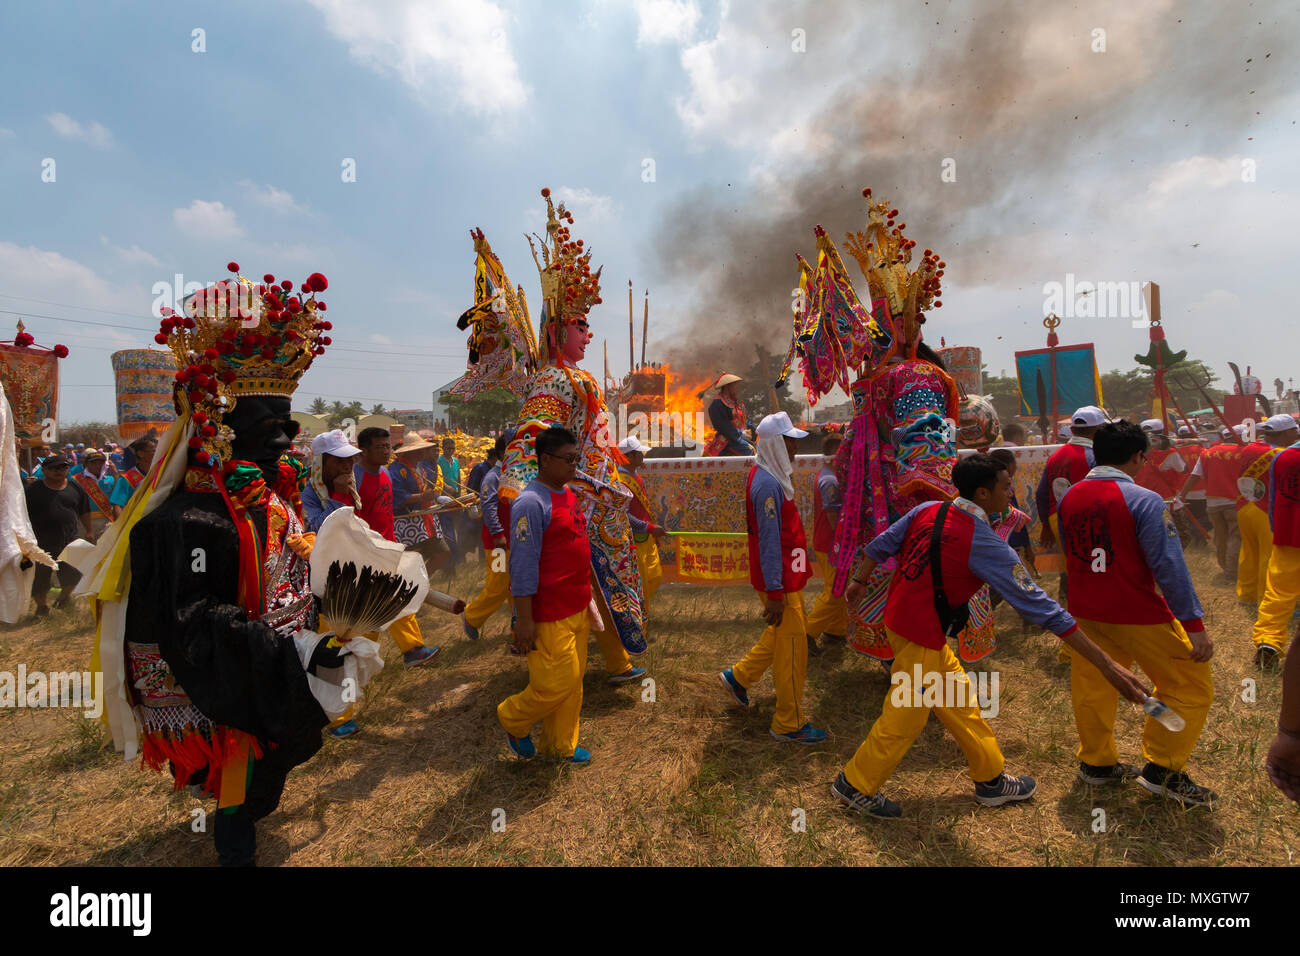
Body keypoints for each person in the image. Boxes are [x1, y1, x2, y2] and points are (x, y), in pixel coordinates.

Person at [830, 454, 1148, 818]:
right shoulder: (983, 542)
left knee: (959, 700)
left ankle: (991, 778)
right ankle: (855, 784)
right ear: (982, 493)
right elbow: (1042, 609)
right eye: (1005, 486)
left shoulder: (930, 509)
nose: (1012, 491)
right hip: (919, 632)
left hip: (904, 621)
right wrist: (1107, 665)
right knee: (907, 714)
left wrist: (859, 580)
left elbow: (880, 544)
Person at [1057, 420, 1216, 807]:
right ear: (1138, 457)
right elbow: (1168, 566)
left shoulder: (1071, 497)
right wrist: (1193, 625)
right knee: (1188, 685)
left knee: (1095, 686)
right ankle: (1163, 768)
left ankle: (1096, 764)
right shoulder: (1144, 500)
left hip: (1085, 610)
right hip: (1135, 610)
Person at [718, 412, 828, 744]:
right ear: (776, 444)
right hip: (778, 581)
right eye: (790, 441)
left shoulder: (770, 476)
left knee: (782, 637)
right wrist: (776, 593)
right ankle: (788, 723)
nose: (795, 447)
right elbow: (768, 540)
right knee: (794, 651)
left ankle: (738, 678)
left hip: (784, 577)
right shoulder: (767, 485)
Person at [498, 426, 596, 764]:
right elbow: (522, 565)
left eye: (576, 459)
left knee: (573, 684)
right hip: (548, 612)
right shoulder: (529, 503)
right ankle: (513, 718)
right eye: (568, 460)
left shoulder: (567, 494)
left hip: (577, 606)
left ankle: (560, 745)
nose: (574, 466)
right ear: (544, 460)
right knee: (555, 684)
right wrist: (524, 620)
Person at [342, 426, 438, 736]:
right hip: (360, 568)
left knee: (391, 609)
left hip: (385, 556)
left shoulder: (384, 475)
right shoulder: (352, 483)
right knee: (349, 645)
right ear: (363, 451)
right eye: (380, 447)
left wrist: (394, 548)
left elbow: (385, 519)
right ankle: (339, 717)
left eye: (388, 446)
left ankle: (412, 649)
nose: (386, 451)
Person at [1251, 422, 1300, 669]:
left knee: (1278, 593)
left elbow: (1274, 498)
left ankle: (1269, 641)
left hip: (1289, 536)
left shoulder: (1282, 457)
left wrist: (1276, 528)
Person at [1236, 416, 1299, 606]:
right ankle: (1265, 597)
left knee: (1248, 552)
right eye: (1294, 431)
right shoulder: (1283, 454)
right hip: (1265, 508)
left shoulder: (1249, 448)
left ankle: (1247, 594)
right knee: (1268, 556)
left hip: (1243, 505)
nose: (1297, 434)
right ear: (1286, 433)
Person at [24, 453, 92, 617]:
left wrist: (89, 531)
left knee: (74, 574)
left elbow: (84, 510)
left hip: (69, 539)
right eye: (54, 468)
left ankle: (63, 599)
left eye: (63, 467)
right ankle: (41, 607)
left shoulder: (75, 487)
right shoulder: (33, 489)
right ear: (44, 470)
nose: (59, 471)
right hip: (41, 542)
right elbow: (21, 512)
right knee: (40, 577)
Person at [462, 434, 513, 640]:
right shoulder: (493, 476)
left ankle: (518, 625)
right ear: (503, 452)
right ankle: (471, 616)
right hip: (498, 544)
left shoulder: (513, 474)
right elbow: (489, 507)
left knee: (516, 585)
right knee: (498, 587)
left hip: (515, 541)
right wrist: (498, 534)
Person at [1179, 424, 1246, 578]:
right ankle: (1232, 572)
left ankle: (1224, 567)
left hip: (1213, 502)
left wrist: (1183, 494)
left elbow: (1194, 475)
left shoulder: (1208, 453)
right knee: (1236, 536)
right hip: (1235, 501)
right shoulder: (1243, 452)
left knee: (1221, 537)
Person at [616, 435, 669, 613]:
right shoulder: (620, 483)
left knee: (654, 577)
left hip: (646, 537)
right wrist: (651, 528)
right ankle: (641, 625)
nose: (642, 455)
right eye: (639, 453)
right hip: (634, 540)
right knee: (642, 585)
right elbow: (625, 516)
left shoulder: (636, 476)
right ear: (628, 457)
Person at [805, 433, 847, 656]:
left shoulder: (829, 475)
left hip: (829, 542)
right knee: (834, 591)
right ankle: (807, 633)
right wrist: (843, 542)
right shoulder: (829, 480)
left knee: (839, 585)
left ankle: (836, 630)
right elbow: (833, 516)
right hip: (831, 543)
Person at [389, 436, 448, 579]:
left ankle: (421, 581)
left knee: (443, 552)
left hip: (425, 518)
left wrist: (432, 498)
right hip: (407, 523)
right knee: (409, 562)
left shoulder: (419, 468)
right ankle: (412, 585)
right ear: (410, 452)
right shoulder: (396, 469)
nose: (423, 451)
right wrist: (422, 497)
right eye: (419, 449)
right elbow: (398, 497)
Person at [702, 373, 754, 456]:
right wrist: (740, 434)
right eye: (734, 385)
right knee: (749, 451)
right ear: (727, 387)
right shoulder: (718, 403)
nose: (737, 388)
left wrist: (756, 430)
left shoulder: (733, 402)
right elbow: (723, 426)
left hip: (738, 437)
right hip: (728, 440)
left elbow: (743, 420)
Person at [71, 448, 117, 537]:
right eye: (93, 463)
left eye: (100, 463)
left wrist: (115, 473)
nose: (97, 465)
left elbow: (117, 499)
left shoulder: (110, 479)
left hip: (106, 522)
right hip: (83, 523)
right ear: (86, 464)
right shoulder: (75, 480)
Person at [108, 436, 157, 515]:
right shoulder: (127, 478)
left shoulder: (161, 474)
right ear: (141, 454)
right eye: (154, 451)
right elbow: (117, 506)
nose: (158, 453)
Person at [437, 437, 464, 565]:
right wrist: (448, 489)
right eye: (448, 448)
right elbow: (438, 480)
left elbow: (458, 476)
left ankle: (458, 554)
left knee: (457, 524)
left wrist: (459, 490)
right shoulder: (439, 461)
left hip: (455, 496)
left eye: (453, 448)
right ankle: (452, 557)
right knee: (447, 527)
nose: (451, 451)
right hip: (443, 497)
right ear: (443, 448)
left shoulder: (456, 461)